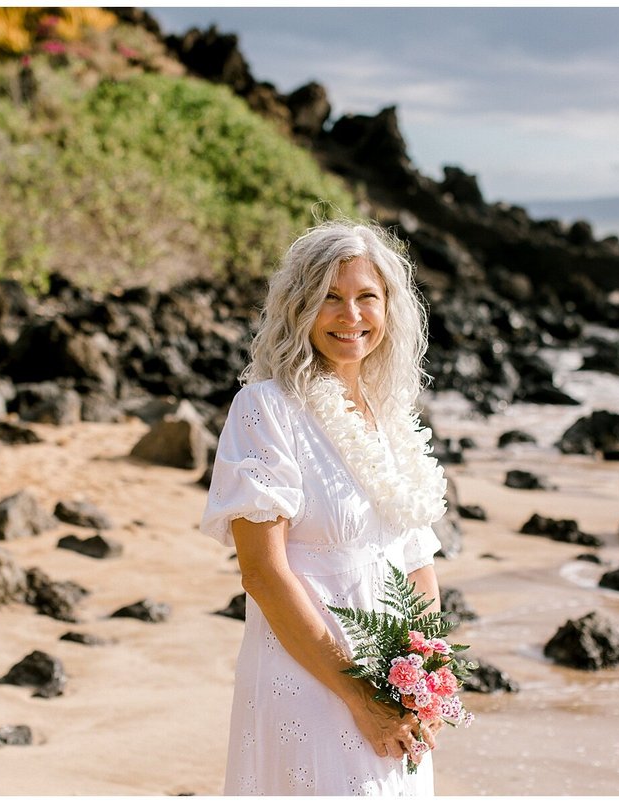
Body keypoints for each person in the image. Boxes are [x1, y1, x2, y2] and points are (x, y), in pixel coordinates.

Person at [200, 219, 450, 796]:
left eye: (367, 297)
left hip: (396, 684)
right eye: (329, 299)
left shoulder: (388, 417)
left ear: (390, 308)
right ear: (299, 308)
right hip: (309, 680)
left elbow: (416, 562)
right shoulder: (266, 410)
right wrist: (359, 696)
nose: (350, 315)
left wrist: (427, 678)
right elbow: (263, 572)